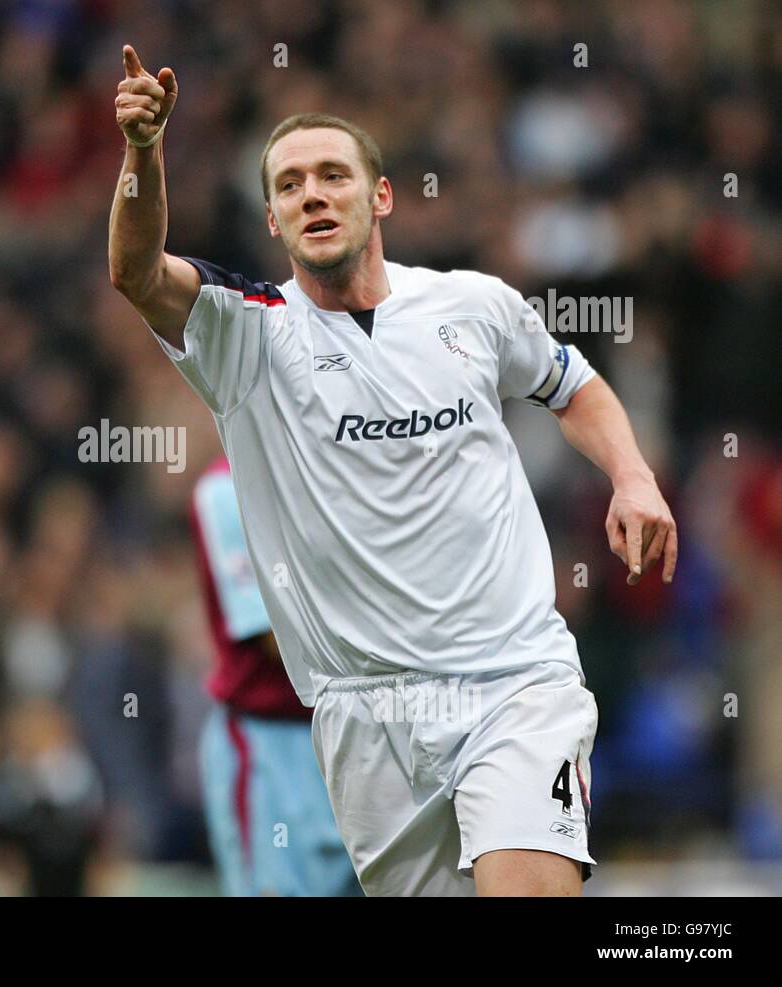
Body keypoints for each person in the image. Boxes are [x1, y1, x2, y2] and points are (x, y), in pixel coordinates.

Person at [108, 46, 677, 896]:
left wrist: (632, 474)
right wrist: (143, 153)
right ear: (272, 218)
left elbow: (574, 385)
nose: (312, 193)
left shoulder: (473, 307)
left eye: (332, 174)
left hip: (513, 680)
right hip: (363, 713)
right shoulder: (247, 335)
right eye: (290, 183)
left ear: (380, 198)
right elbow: (136, 271)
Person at [191, 455, 361, 896]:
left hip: (362, 728)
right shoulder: (226, 489)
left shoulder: (349, 465)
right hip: (275, 748)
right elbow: (279, 637)